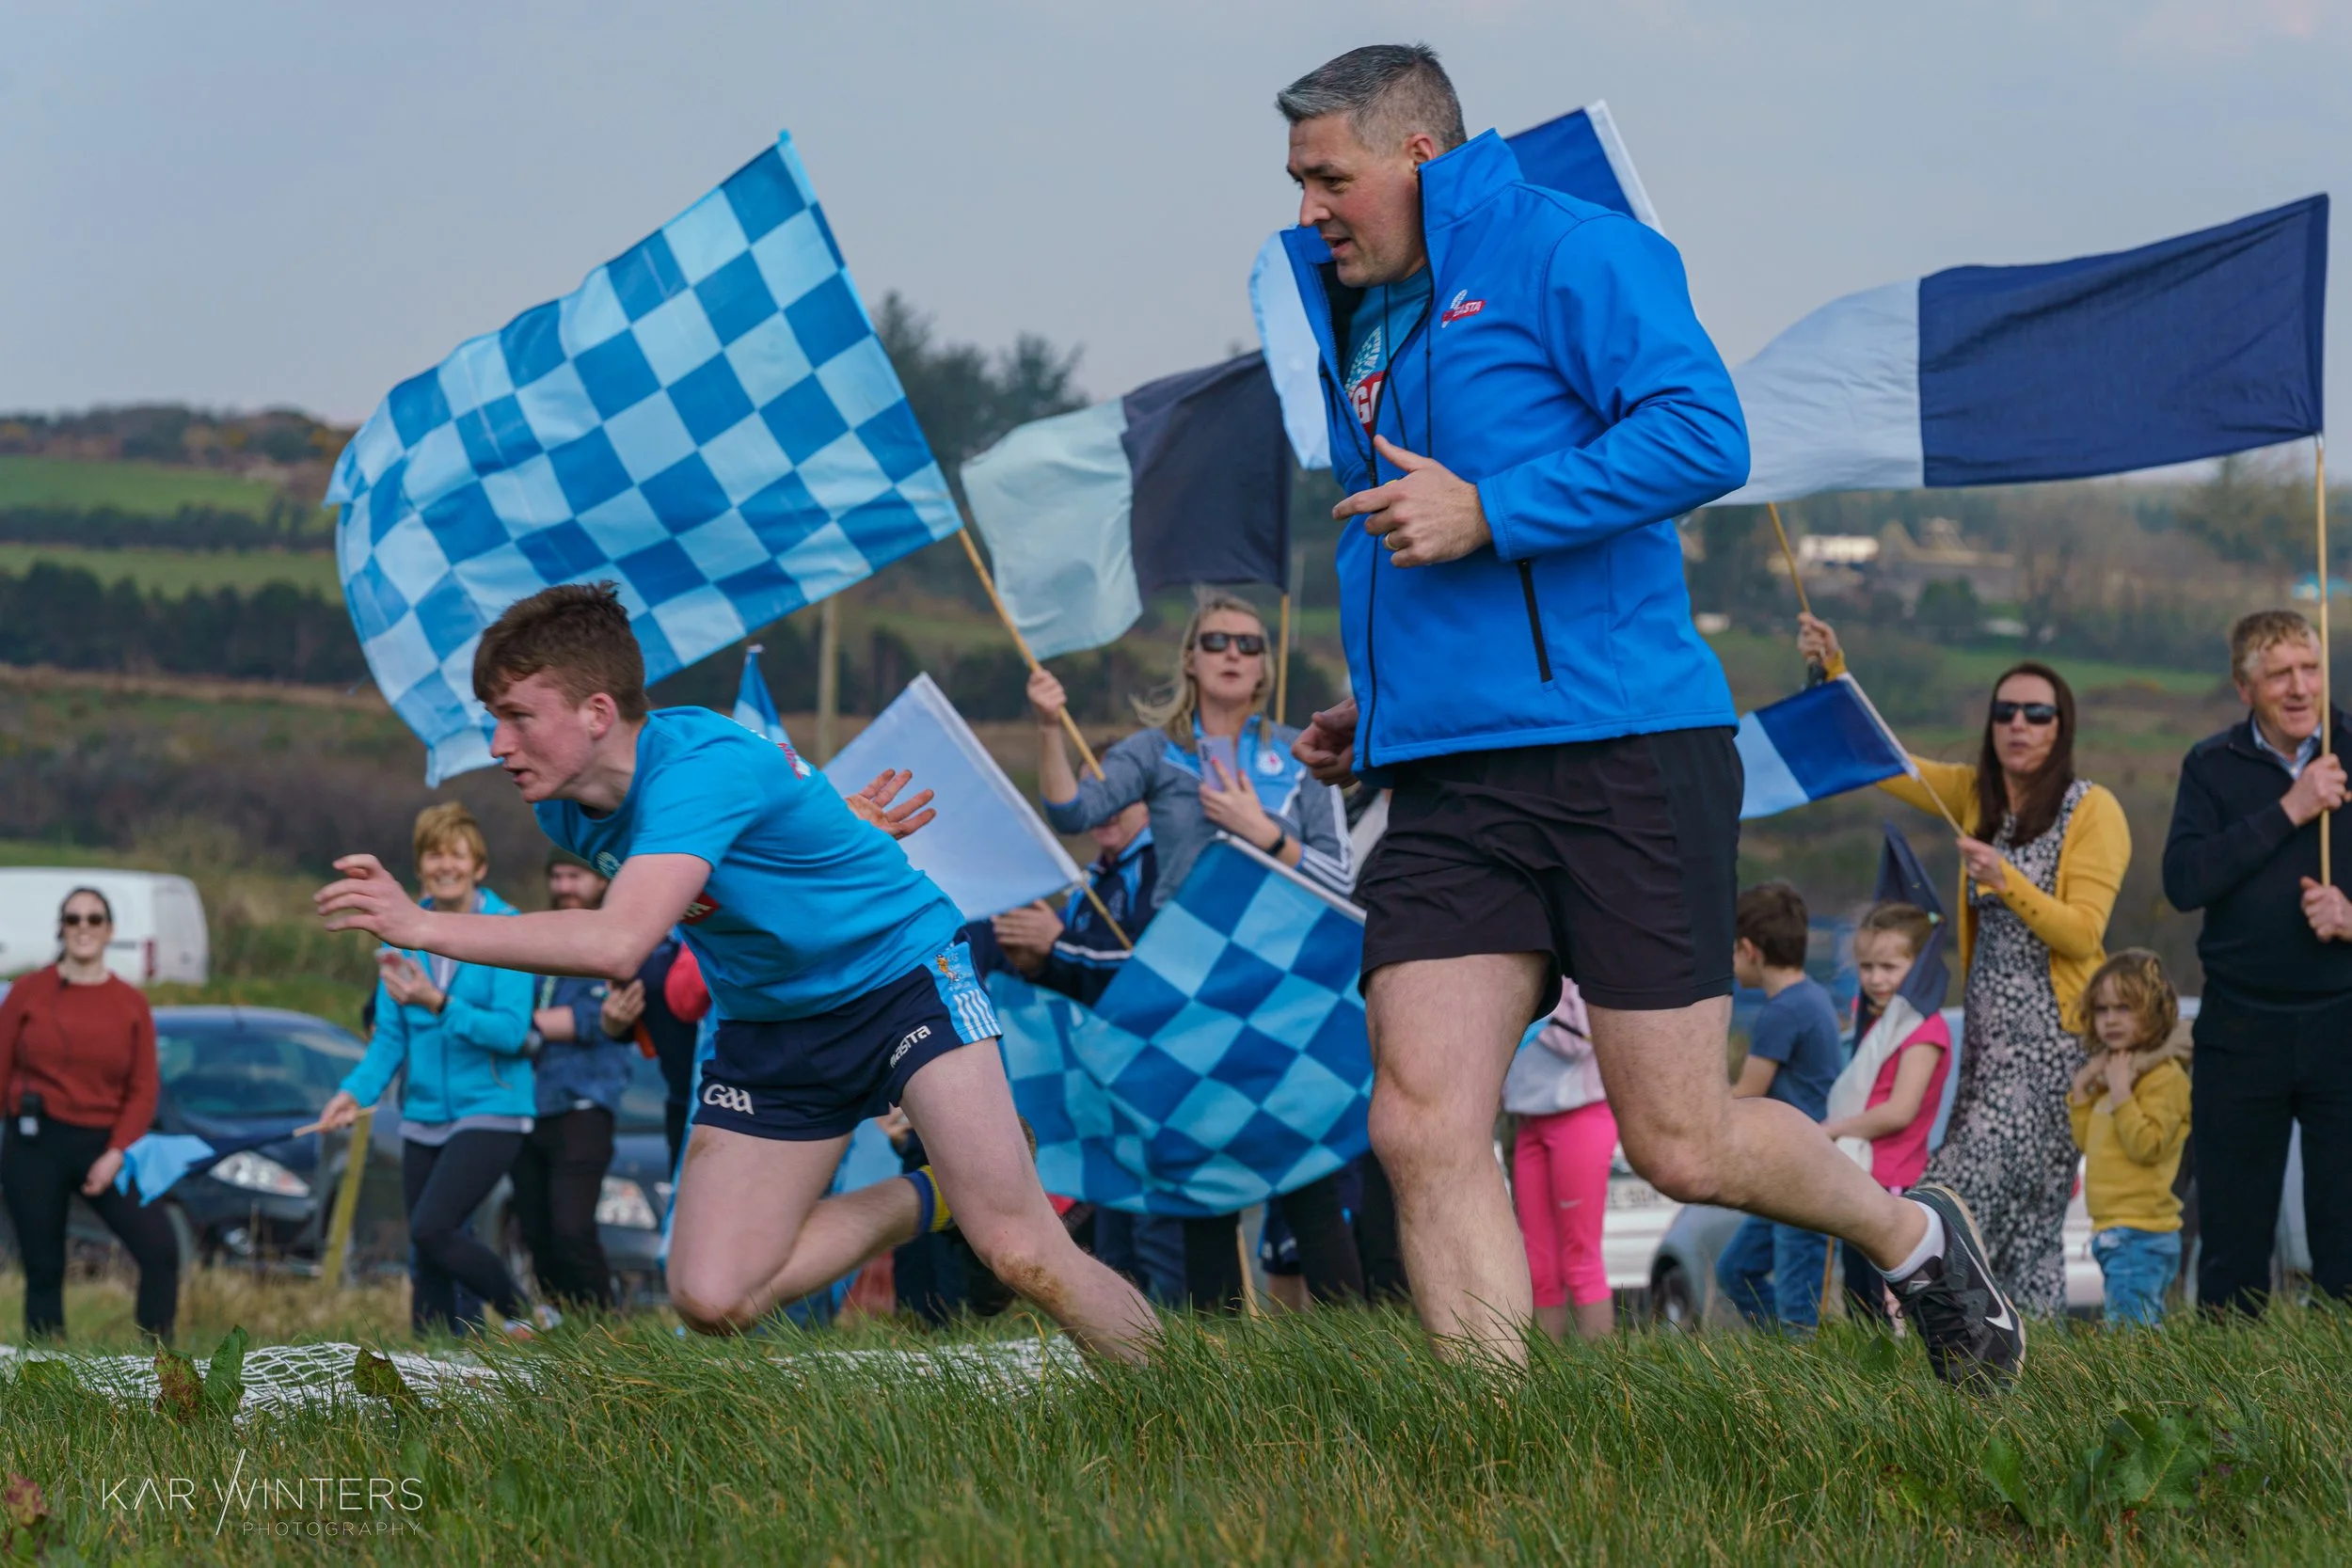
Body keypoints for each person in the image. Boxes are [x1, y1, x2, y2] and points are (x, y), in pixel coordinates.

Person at [1278, 43, 2015, 1385]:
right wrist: (1375, 695)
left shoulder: (1578, 251)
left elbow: (1702, 434)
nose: (1312, 207)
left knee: (1683, 1139)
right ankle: (1492, 1454)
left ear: (1418, 156)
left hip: (1623, 755)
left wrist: (1493, 510)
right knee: (1420, 1121)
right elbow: (1398, 523)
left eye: (1332, 178)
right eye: (1299, 182)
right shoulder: (1354, 300)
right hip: (1442, 773)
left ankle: (1914, 1237)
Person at [313, 583, 1155, 1360]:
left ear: (598, 710)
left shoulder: (697, 769)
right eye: (492, 719)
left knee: (1016, 1249)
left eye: (517, 717)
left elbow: (618, 941)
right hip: (772, 1024)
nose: (497, 744)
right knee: (713, 1296)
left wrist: (421, 923)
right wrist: (831, 819)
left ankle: (1175, 1394)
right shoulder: (566, 811)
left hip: (899, 976)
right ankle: (933, 1196)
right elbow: (756, 825)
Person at [1032, 589, 1363, 1313]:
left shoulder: (1299, 756)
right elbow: (1072, 811)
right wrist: (1050, 728)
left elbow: (1342, 878)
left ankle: (1356, 1358)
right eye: (1217, 641)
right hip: (1189, 999)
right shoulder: (1152, 752)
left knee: (1307, 1179)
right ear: (1189, 657)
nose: (1234, 654)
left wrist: (1262, 831)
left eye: (1249, 643)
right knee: (1204, 1188)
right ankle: (1222, 1368)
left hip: (1282, 996)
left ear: (1266, 665)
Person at [1803, 612, 2127, 1322]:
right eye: (2005, 711)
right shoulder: (1975, 798)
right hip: (1985, 1038)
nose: (2018, 723)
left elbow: (2084, 933)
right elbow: (1891, 763)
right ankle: (2029, 1368)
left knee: (1958, 1186)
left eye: (2036, 712)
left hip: (2054, 1045)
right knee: (2024, 1226)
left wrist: (2008, 880)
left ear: (2060, 726)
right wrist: (1833, 671)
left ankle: (1922, 1324)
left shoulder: (2092, 809)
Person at [2161, 609, 2351, 1314]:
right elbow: (2185, 880)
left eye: (2311, 668)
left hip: (2344, 1017)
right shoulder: (2211, 766)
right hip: (2241, 1026)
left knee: (2348, 1239)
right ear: (2245, 687)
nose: (2301, 688)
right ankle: (2230, 1400)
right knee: (2233, 1247)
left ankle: (2335, 1395)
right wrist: (2292, 808)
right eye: (2279, 674)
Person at [316, 802, 540, 1338]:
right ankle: (442, 1362)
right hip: (422, 1113)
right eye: (433, 855)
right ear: (420, 868)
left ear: (478, 867)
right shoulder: (399, 936)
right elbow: (390, 1038)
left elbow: (512, 1033)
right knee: (427, 1250)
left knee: (434, 1226)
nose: (445, 866)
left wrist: (438, 1002)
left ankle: (525, 1313)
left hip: (494, 1107)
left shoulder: (510, 931)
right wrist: (353, 1094)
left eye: (456, 855)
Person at [0, 888, 178, 1342]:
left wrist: (116, 1151)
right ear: (61, 927)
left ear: (109, 930)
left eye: (94, 919)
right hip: (34, 1143)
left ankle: (160, 1368)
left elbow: (143, 1090)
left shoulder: (130, 1003)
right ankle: (48, 1377)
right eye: (73, 919)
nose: (83, 928)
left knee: (160, 1250)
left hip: (104, 1146)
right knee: (43, 1267)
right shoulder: (27, 994)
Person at [510, 847, 643, 1315]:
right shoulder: (544, 937)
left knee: (573, 1228)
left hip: (585, 1105)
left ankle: (605, 1326)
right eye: (558, 876)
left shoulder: (616, 938)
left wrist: (513, 1024)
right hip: (529, 1103)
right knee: (534, 1230)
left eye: (576, 876)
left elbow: (595, 1016)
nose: (565, 886)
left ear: (601, 881)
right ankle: (562, 1324)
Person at [1713, 884, 1843, 1331]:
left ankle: (1801, 1375)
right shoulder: (1811, 998)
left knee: (1797, 1310)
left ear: (1749, 950)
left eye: (1732, 950)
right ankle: (1783, 1363)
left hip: (1801, 1175)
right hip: (1790, 1177)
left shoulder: (1783, 1011)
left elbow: (1747, 1094)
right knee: (1736, 1270)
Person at [1820, 903, 1953, 1321]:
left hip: (1894, 1182)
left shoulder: (1924, 1030)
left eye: (1889, 967)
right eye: (1866, 967)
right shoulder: (1879, 1023)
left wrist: (1833, 1129)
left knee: (1888, 1307)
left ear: (1919, 966)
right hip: (1864, 1178)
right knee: (1860, 1300)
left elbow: (1900, 1111)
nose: (1876, 979)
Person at [2066, 950, 2190, 1328]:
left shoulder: (2164, 1078)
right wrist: (2083, 1093)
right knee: (2135, 1320)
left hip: (2142, 1231)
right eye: (2102, 1010)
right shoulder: (2113, 1075)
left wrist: (2121, 1094)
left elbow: (2148, 1145)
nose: (2111, 1019)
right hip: (2112, 1228)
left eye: (2124, 1007)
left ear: (2153, 1011)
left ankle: (2146, 1389)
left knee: (2131, 1331)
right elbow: (2089, 1143)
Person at [1504, 981, 1613, 1341]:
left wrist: (1516, 1009)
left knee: (1580, 1258)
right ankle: (1549, 1379)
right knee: (1538, 1266)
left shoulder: (1569, 968)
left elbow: (1581, 1038)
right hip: (1528, 1120)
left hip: (1580, 1115)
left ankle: (1606, 1378)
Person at [974, 801, 1157, 1007]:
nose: (1106, 806)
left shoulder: (1160, 862)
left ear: (1149, 801)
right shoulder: (1090, 882)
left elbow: (1155, 969)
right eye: (1092, 794)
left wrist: (1058, 941)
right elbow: (1082, 984)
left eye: (1119, 794)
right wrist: (1037, 966)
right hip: (1097, 1032)